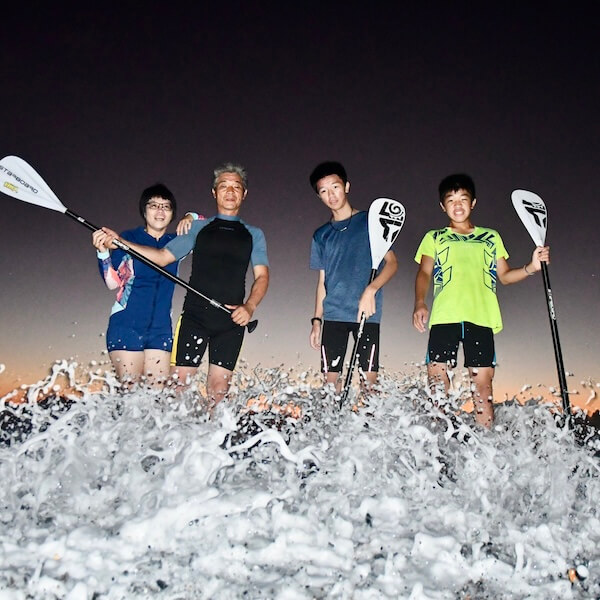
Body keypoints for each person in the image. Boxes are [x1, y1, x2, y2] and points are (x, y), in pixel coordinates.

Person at [98, 163, 269, 409]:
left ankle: (212, 434)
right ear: (214, 192)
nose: (230, 191)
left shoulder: (254, 234)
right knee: (177, 389)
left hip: (231, 322)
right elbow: (161, 257)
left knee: (219, 393)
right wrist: (120, 243)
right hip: (193, 320)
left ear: (244, 193)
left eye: (236, 187)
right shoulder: (197, 229)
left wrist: (250, 306)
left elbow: (262, 276)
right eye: (224, 186)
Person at [412, 173, 550, 428]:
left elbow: (505, 276)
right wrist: (420, 302)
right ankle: (436, 443)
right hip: (444, 318)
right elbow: (424, 272)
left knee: (482, 388)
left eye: (463, 199)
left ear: (473, 202)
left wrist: (531, 266)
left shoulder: (491, 237)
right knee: (437, 386)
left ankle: (485, 442)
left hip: (481, 319)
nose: (457, 205)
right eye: (451, 200)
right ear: (443, 206)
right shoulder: (434, 237)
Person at [309, 161, 398, 397]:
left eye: (335, 187)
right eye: (324, 191)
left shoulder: (371, 222)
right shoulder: (321, 235)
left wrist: (371, 290)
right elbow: (322, 282)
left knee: (369, 386)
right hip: (333, 315)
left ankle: (369, 422)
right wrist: (317, 320)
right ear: (319, 196)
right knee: (330, 388)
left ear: (346, 186)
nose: (331, 195)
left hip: (366, 315)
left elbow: (392, 263)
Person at [92, 183, 179, 388]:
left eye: (166, 206)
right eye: (154, 205)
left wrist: (190, 216)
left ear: (172, 213)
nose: (160, 211)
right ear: (144, 211)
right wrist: (103, 253)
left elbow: (205, 224)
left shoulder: (177, 243)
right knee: (131, 395)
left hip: (161, 329)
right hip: (126, 324)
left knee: (157, 398)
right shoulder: (129, 237)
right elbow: (112, 283)